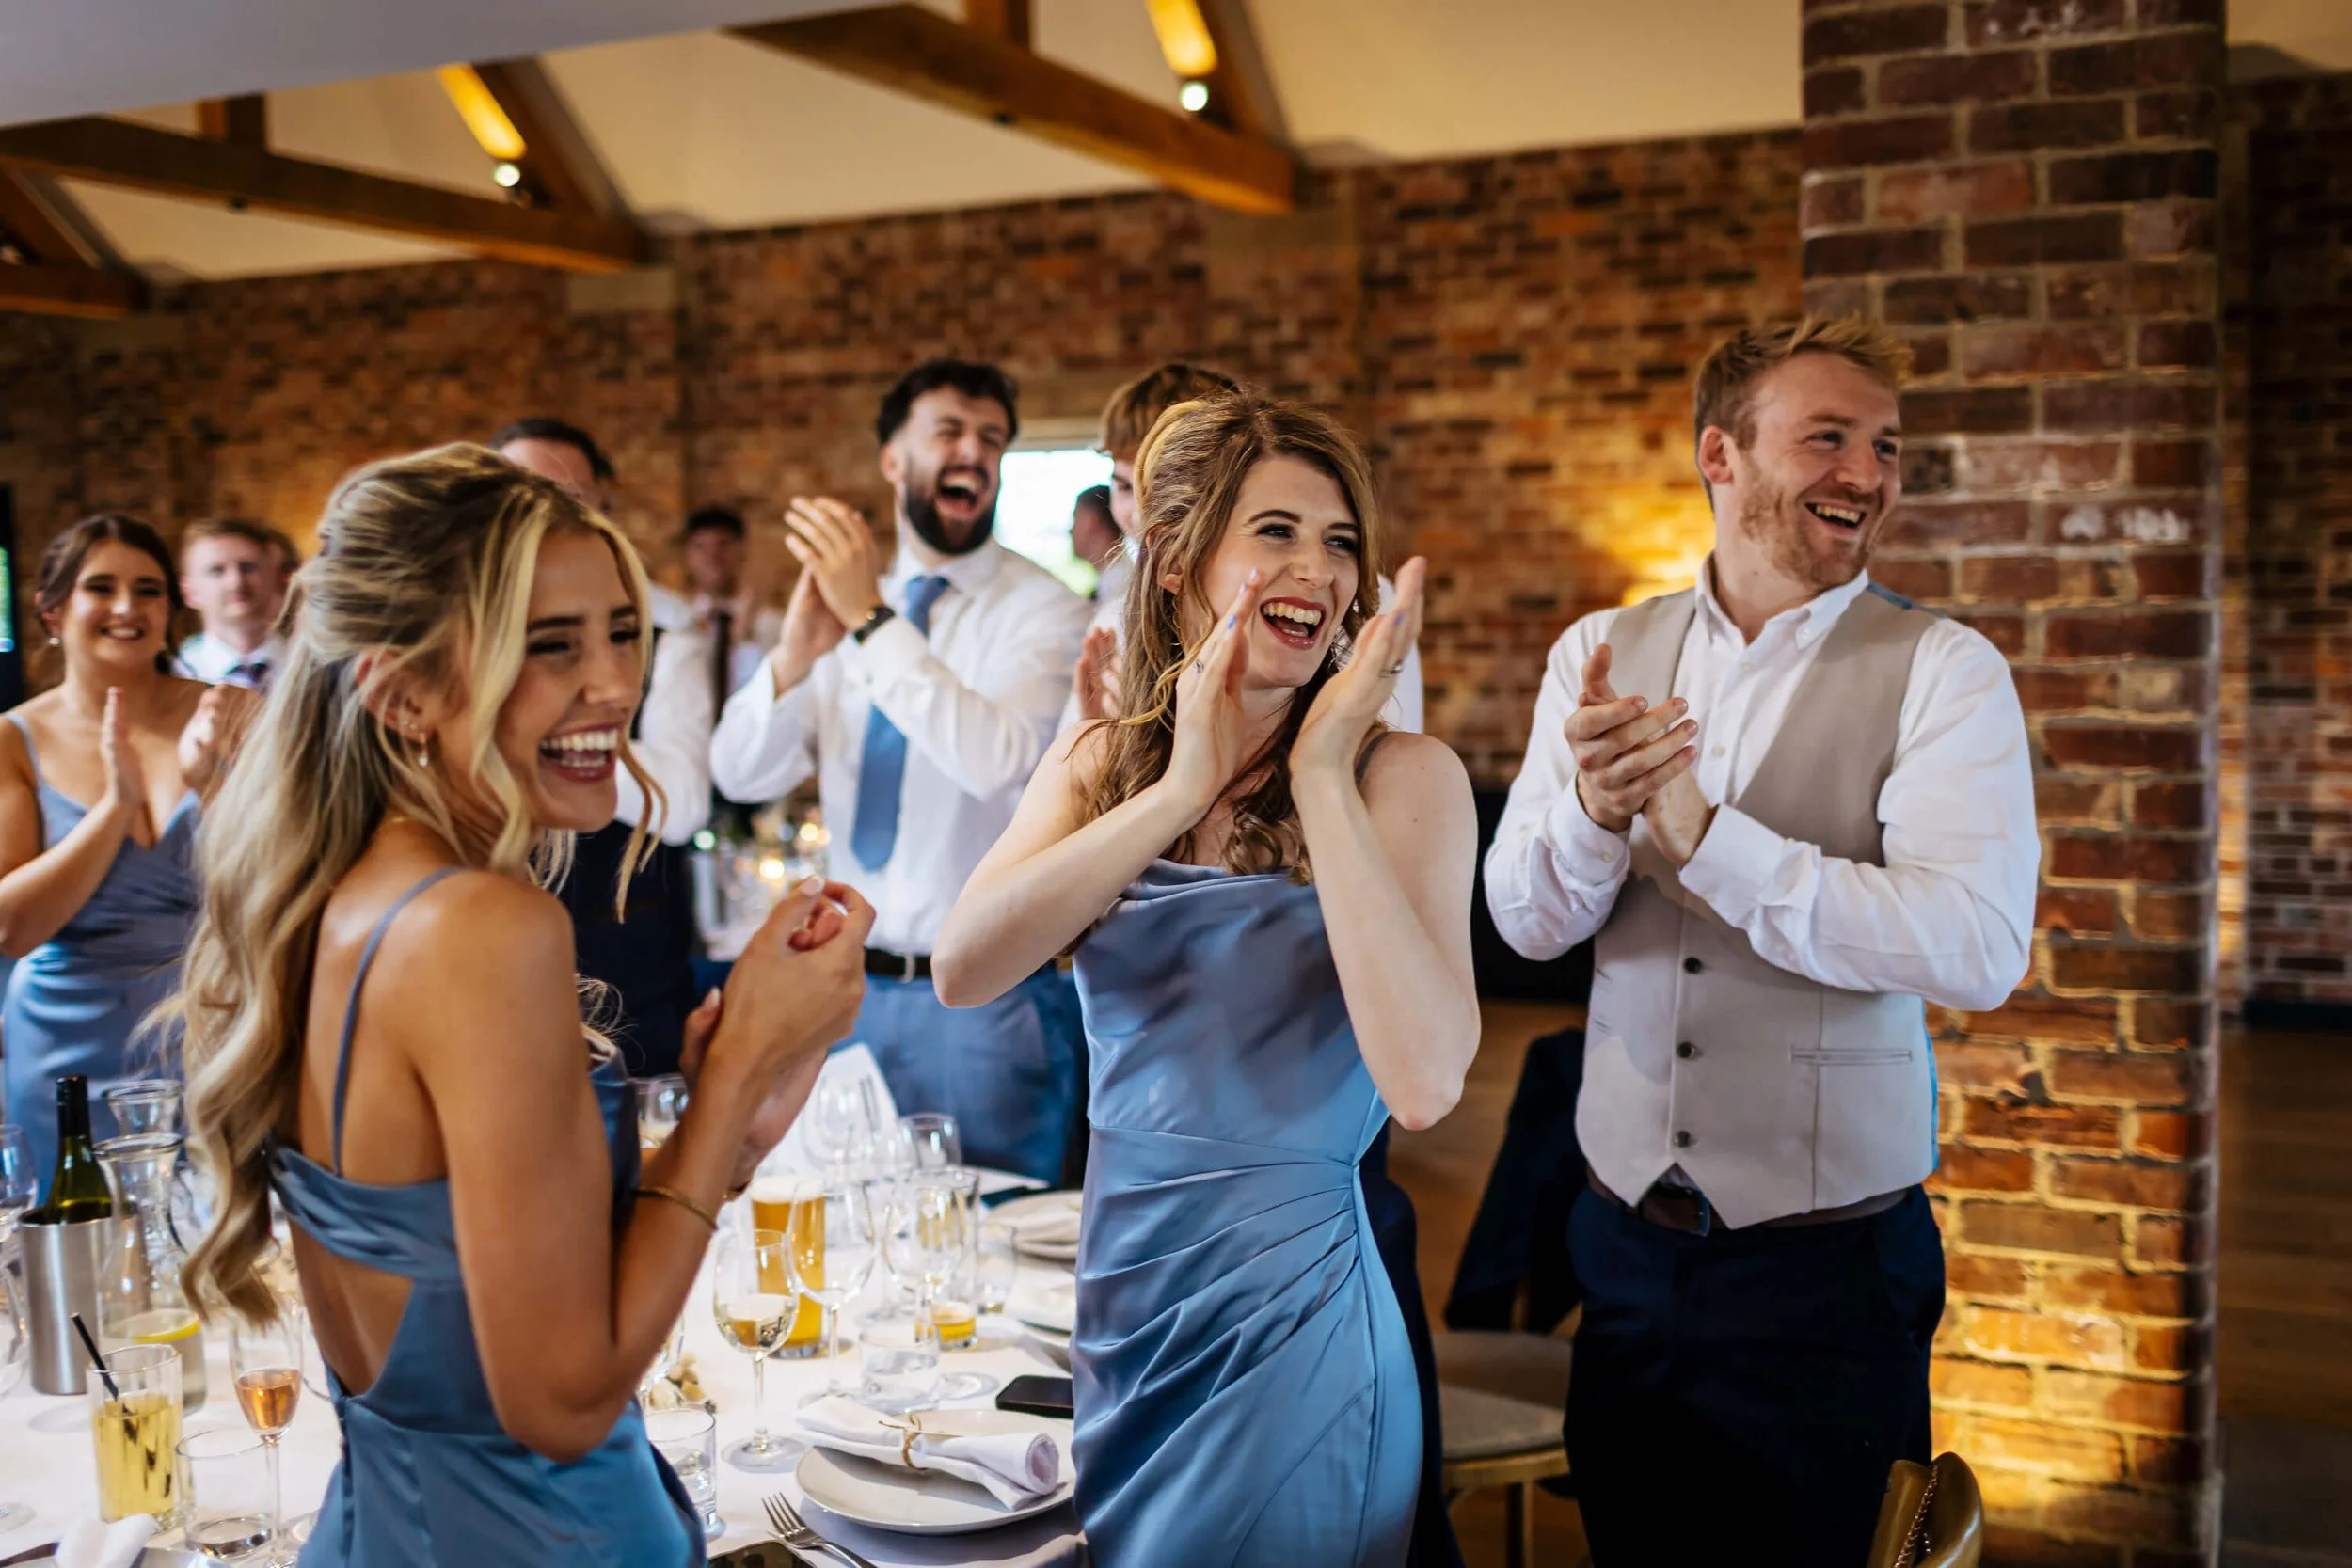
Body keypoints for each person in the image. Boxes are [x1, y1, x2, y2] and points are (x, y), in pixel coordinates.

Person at [175, 445, 873, 1568]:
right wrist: (741, 1053)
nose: (612, 682)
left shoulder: (327, 892)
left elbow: (469, 1266)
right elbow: (560, 1399)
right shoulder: (482, 927)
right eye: (549, 646)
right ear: (402, 691)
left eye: (621, 630)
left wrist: (726, 1134)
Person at [1485, 317, 2040, 1567]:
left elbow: (1976, 945)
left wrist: (1711, 839)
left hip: (1827, 1267)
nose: (1867, 472)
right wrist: (1591, 815)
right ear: (1719, 457)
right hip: (1622, 1241)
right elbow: (1524, 919)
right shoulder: (1599, 653)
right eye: (1828, 436)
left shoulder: (1944, 671)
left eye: (1885, 445)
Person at [932, 393, 1480, 1564]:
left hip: (1297, 1321)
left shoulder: (1407, 781)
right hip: (1124, 1303)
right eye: (1275, 530)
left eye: (1341, 542)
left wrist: (1323, 771)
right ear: (1179, 560)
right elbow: (965, 967)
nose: (1316, 568)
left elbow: (1426, 1081)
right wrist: (1176, 791)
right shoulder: (1101, 760)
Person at [711, 359, 1090, 1182]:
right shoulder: (853, 607)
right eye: (948, 432)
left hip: (987, 1003)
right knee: (858, 1225)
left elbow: (999, 763)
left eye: (991, 439)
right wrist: (793, 657)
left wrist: (873, 621)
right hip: (844, 993)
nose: (974, 453)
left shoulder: (1047, 609)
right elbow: (740, 773)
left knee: (999, 1244)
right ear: (893, 459)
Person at [0, 515, 244, 1193]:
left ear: (171, 607)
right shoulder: (14, 741)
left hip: (214, 1030)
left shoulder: (234, 714)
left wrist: (214, 785)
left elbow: (281, 887)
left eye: (148, 589)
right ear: (52, 610)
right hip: (64, 1049)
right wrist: (114, 806)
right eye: (100, 587)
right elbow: (12, 925)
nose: (127, 607)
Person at [497, 425, 713, 1076]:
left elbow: (682, 805)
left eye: (565, 500)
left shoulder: (665, 640)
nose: (614, 686)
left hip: (630, 968)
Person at [1067, 363, 1424, 735]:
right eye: (1125, 488)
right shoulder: (1114, 621)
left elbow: (1386, 743)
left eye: (1165, 481)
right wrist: (1111, 737)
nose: (1141, 512)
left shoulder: (1350, 601)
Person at [492, 417, 690, 630]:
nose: (547, 514)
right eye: (523, 497)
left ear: (602, 509)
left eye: (572, 498)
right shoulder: (459, 619)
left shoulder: (664, 626)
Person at [681, 505, 785, 705]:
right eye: (700, 546)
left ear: (742, 549)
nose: (713, 557)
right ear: (688, 555)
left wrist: (745, 635)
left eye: (724, 545)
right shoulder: (678, 624)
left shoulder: (774, 626)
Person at [177, 516, 297, 688]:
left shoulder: (311, 666)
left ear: (274, 577)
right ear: (189, 592)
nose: (236, 582)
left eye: (248, 567)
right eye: (217, 571)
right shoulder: (176, 672)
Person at [1069, 483, 1124, 601]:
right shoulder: (1112, 583)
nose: (1070, 531)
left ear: (1091, 521)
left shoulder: (1119, 587)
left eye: (1075, 518)